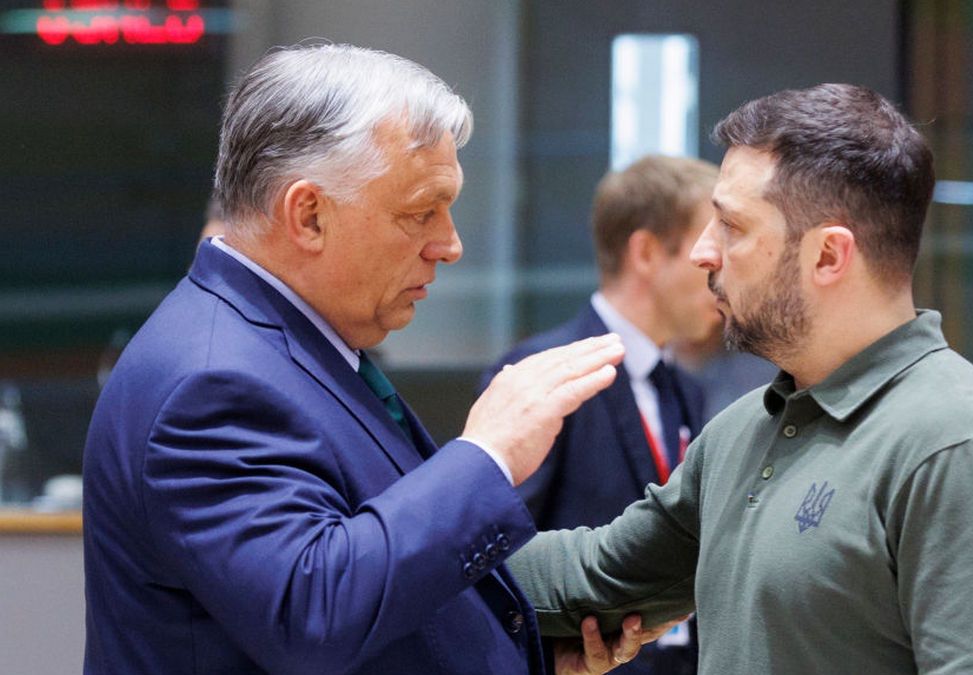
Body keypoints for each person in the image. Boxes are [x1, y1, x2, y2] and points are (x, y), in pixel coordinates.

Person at [82, 43, 658, 675]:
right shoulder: (212, 380)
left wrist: (517, 649)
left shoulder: (294, 343)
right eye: (421, 212)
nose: (450, 244)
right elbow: (314, 611)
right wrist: (489, 453)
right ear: (309, 215)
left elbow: (373, 565)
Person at [506, 83, 973, 674]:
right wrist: (419, 534)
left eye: (732, 226)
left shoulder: (959, 450)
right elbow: (595, 576)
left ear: (828, 255)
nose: (703, 252)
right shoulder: (743, 431)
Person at [483, 154, 721, 675]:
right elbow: (492, 555)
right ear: (646, 252)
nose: (717, 268)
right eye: (704, 252)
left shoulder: (686, 389)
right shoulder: (540, 374)